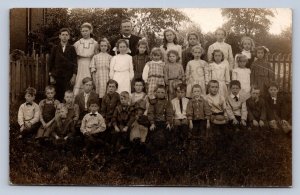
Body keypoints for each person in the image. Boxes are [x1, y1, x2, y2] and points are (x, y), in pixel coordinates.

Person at [48, 28, 77, 102]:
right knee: (56, 95)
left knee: (66, 96)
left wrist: (74, 76)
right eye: (63, 35)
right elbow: (50, 63)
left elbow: (74, 63)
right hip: (57, 76)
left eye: (66, 35)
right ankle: (57, 112)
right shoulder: (55, 48)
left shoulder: (72, 48)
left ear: (69, 37)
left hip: (67, 77)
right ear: (59, 36)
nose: (64, 36)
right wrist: (51, 76)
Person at [73, 22, 99, 96]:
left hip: (90, 65)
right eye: (83, 31)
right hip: (80, 65)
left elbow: (96, 56)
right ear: (81, 32)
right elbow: (74, 57)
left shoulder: (95, 43)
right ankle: (77, 98)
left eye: (86, 31)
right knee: (79, 81)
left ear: (90, 31)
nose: (85, 33)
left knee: (90, 80)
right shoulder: (77, 43)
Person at [147, 85, 173, 151]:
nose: (160, 94)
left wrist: (168, 122)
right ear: (155, 93)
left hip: (164, 121)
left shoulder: (167, 102)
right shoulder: (153, 102)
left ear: (165, 94)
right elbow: (150, 113)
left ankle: (165, 149)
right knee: (153, 134)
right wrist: (152, 123)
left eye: (162, 92)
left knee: (166, 133)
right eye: (158, 92)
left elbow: (169, 113)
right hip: (155, 122)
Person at [90, 38, 112, 105]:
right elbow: (92, 68)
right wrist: (94, 79)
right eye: (102, 46)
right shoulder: (95, 57)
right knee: (99, 93)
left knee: (107, 92)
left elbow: (111, 69)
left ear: (107, 47)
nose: (103, 47)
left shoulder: (110, 57)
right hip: (98, 77)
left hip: (107, 77)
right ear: (99, 47)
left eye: (105, 46)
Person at [171, 83, 189, 149]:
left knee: (184, 124)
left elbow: (188, 111)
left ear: (185, 93)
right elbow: (172, 112)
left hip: (184, 117)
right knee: (176, 124)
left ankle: (185, 140)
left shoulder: (187, 101)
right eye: (178, 92)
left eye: (182, 92)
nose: (180, 94)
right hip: (177, 117)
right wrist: (172, 120)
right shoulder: (173, 101)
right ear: (176, 92)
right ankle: (177, 141)